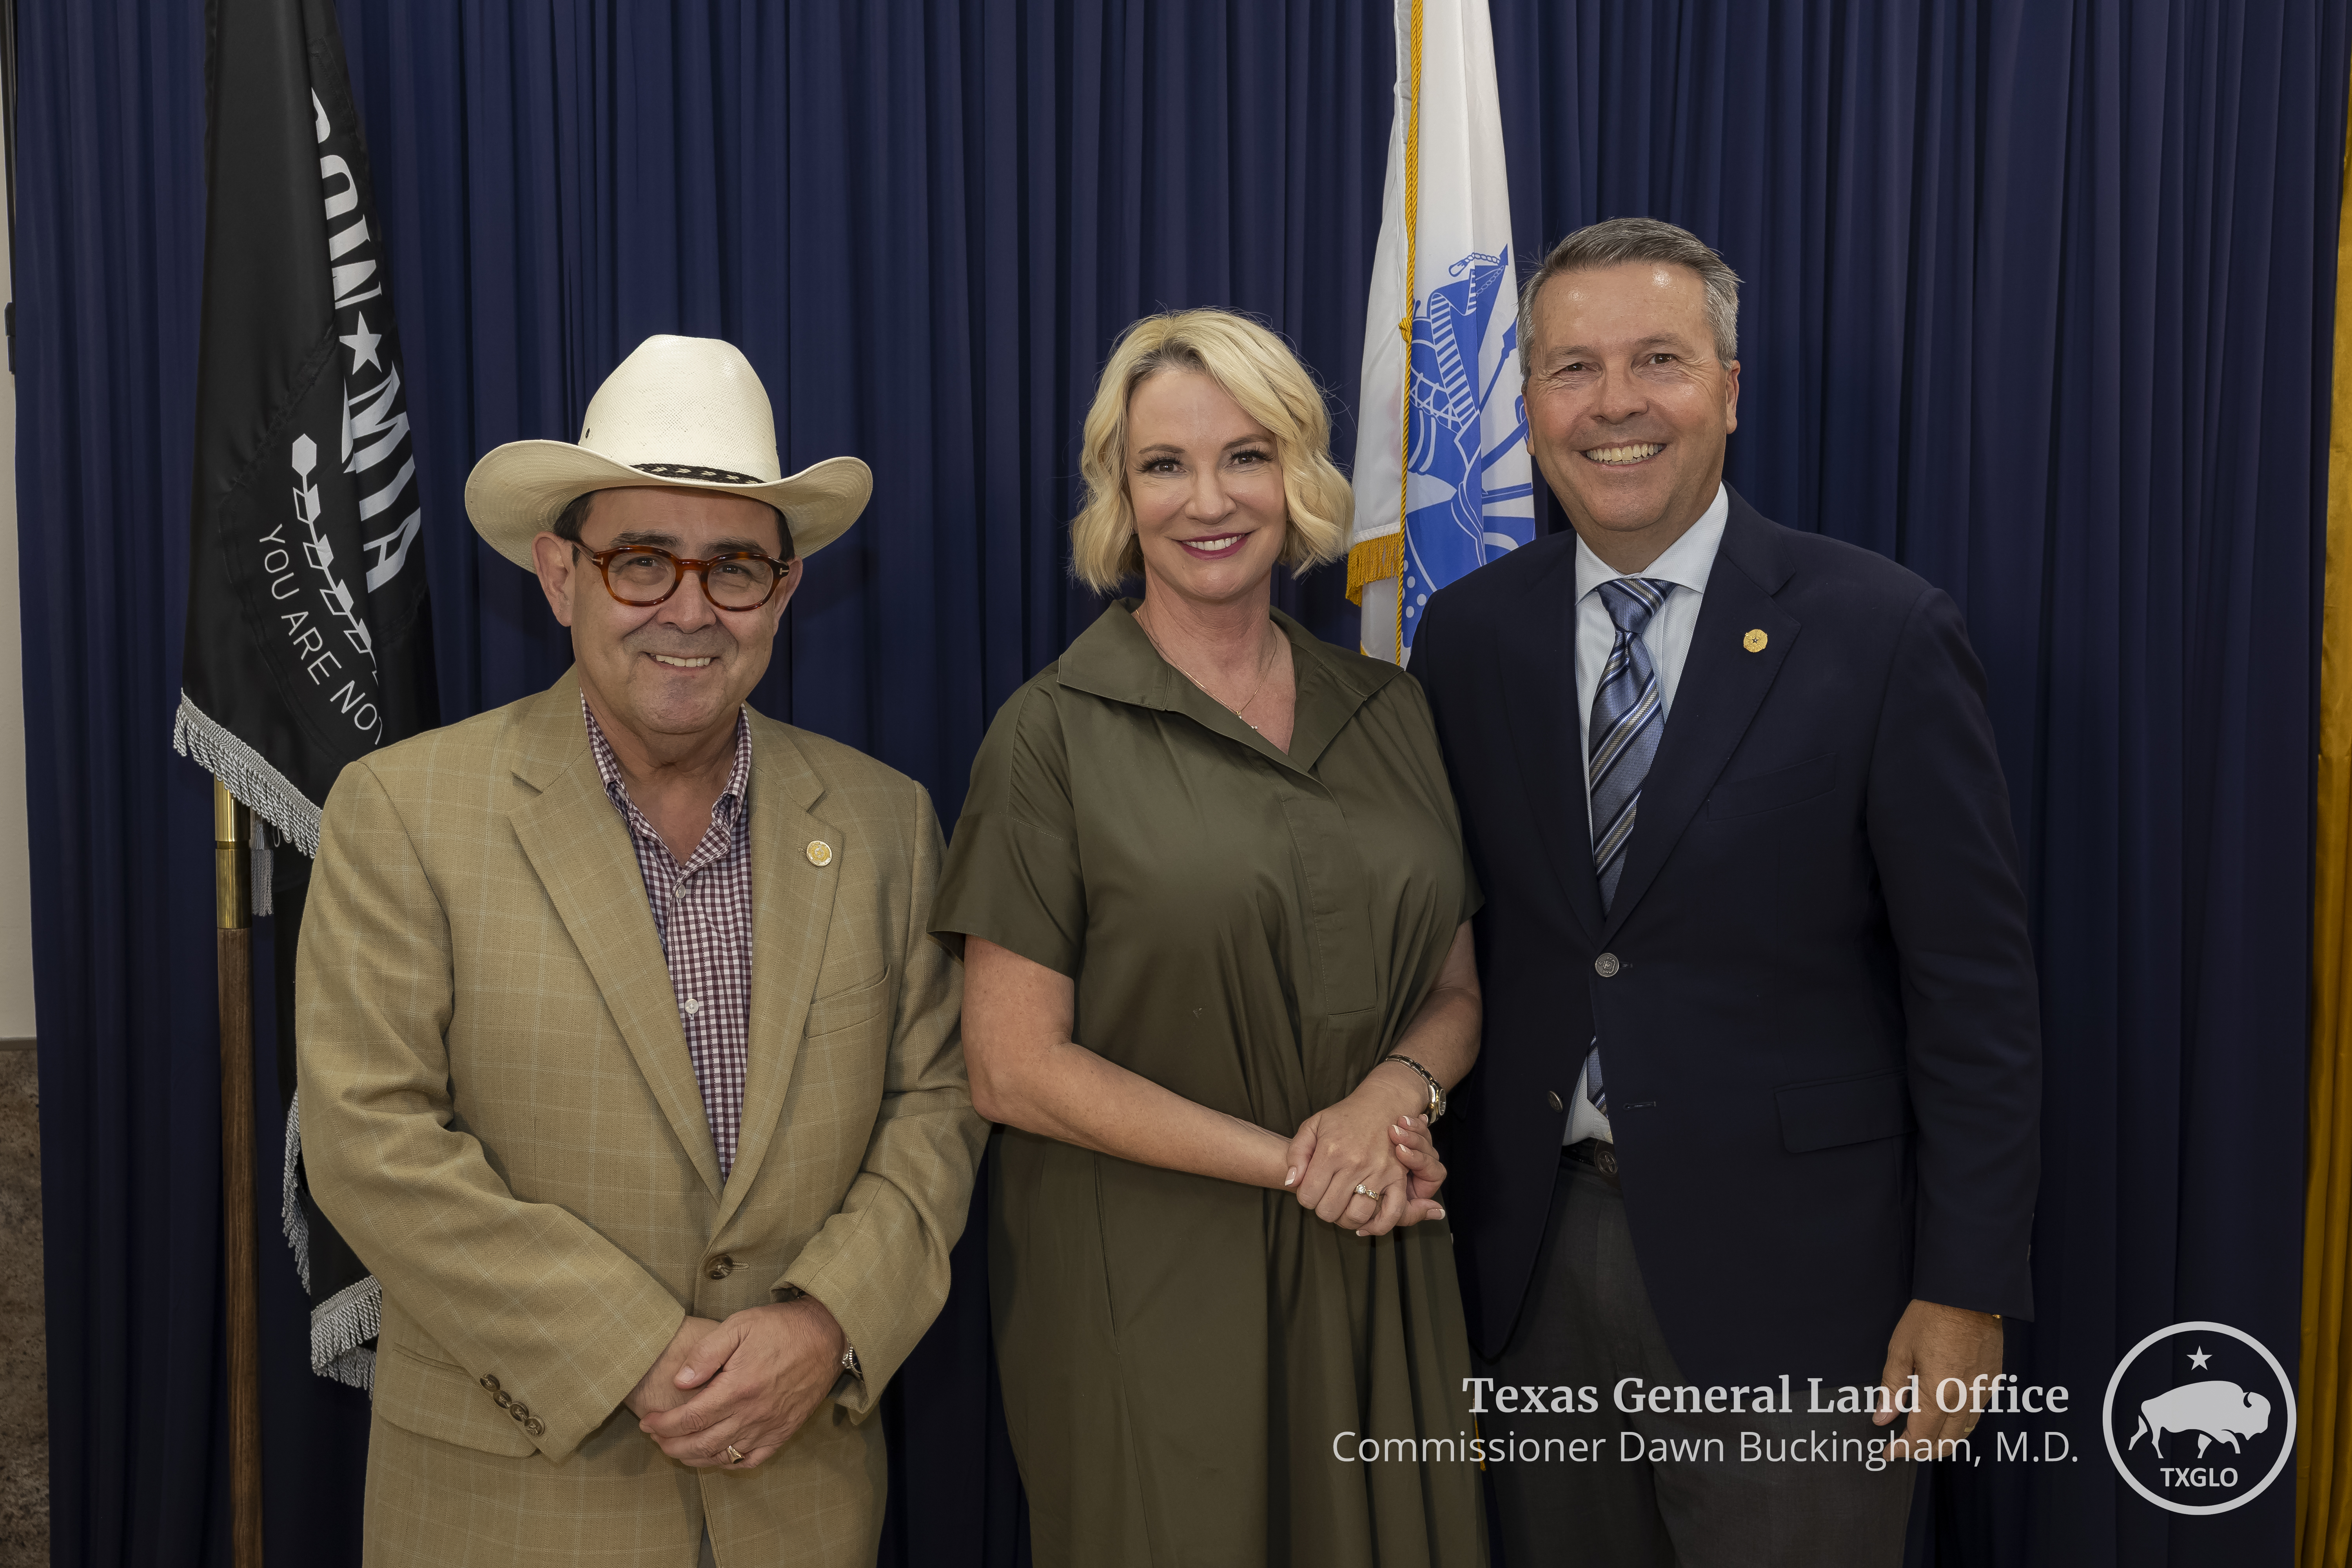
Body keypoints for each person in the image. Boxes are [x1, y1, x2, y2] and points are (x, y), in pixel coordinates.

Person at [297, 334, 987, 1568]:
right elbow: (371, 1145)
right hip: (507, 1508)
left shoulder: (887, 823)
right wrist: (631, 1352)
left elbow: (934, 1107)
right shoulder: (403, 811)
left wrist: (826, 1323)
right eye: (641, 562)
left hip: (801, 1500)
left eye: (734, 569)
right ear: (560, 576)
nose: (688, 609)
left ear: (785, 592)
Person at [1412, 219, 2041, 1566]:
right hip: (1531, 1270)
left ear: (1732, 390)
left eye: (1660, 360)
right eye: (1573, 369)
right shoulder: (1465, 640)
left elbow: (1973, 996)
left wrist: (1965, 1288)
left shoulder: (1881, 632)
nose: (1616, 403)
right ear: (1527, 406)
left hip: (1804, 1289)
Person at [931, 309, 1486, 1567]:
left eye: (1245, 455)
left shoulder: (1394, 709)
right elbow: (1011, 1067)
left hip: (1381, 1251)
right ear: (1118, 500)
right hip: (1154, 1279)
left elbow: (1456, 987)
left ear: (1298, 472)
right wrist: (1305, 1165)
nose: (1208, 500)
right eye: (1163, 466)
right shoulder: (1051, 733)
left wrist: (1386, 1102)